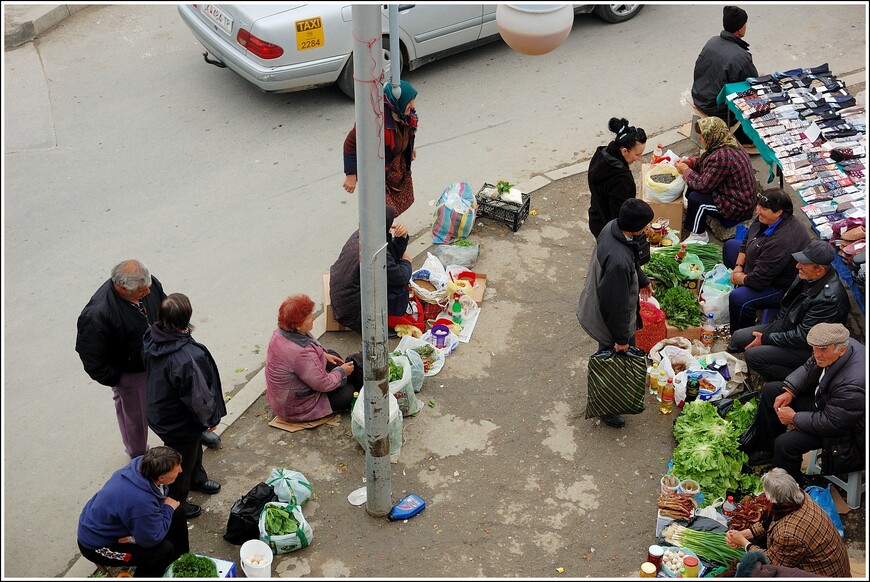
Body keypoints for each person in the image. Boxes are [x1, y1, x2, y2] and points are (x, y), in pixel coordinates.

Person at [743, 323, 864, 487]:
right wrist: (790, 391)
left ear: (841, 350)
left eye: (823, 350)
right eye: (814, 349)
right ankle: (767, 451)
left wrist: (794, 417)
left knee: (786, 444)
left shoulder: (852, 383)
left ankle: (791, 493)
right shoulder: (836, 345)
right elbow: (809, 366)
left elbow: (832, 424)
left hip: (846, 431)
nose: (817, 355)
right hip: (826, 404)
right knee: (773, 391)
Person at [142, 293, 226, 519]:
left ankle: (197, 479)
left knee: (192, 449)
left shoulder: (152, 336)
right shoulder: (187, 357)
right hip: (179, 419)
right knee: (180, 463)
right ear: (185, 319)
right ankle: (177, 502)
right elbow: (199, 397)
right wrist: (210, 420)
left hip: (162, 411)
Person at [76, 259, 167, 458]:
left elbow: (164, 307)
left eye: (148, 287)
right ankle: (138, 454)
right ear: (122, 288)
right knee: (135, 416)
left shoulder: (147, 284)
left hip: (156, 357)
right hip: (131, 371)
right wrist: (118, 379)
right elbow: (92, 356)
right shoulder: (97, 314)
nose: (148, 293)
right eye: (141, 292)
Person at [576, 198, 654, 428]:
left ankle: (610, 397)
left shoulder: (613, 228)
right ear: (636, 226)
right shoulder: (618, 261)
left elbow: (631, 260)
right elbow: (615, 305)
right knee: (612, 360)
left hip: (597, 301)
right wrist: (621, 340)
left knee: (612, 356)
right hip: (606, 317)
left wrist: (642, 280)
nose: (648, 229)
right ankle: (608, 407)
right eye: (646, 225)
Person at [727, 239, 849, 380]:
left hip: (807, 347)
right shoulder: (807, 275)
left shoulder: (829, 299)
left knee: (753, 356)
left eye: (803, 264)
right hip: (789, 325)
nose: (797, 266)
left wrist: (768, 339)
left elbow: (803, 337)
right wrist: (775, 328)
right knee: (738, 337)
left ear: (819, 270)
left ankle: (797, 381)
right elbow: (787, 303)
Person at [77, 446, 189, 578]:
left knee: (178, 512)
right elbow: (151, 539)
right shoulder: (141, 503)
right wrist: (135, 538)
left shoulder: (142, 465)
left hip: (120, 521)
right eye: (177, 470)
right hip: (99, 545)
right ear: (161, 479)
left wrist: (166, 511)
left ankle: (181, 561)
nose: (181, 470)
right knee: (162, 551)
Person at [724, 468, 851, 577]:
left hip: (825, 574)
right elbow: (770, 523)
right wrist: (745, 534)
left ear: (772, 498)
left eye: (765, 493)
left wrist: (744, 543)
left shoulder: (789, 534)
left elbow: (771, 563)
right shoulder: (798, 497)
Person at [722, 188, 811, 332]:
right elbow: (746, 240)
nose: (757, 211)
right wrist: (738, 266)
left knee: (738, 299)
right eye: (758, 206)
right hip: (761, 262)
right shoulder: (767, 218)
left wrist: (739, 278)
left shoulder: (783, 240)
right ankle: (743, 296)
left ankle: (741, 336)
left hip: (779, 285)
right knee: (730, 247)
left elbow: (759, 281)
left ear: (779, 212)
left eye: (763, 208)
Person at [265, 294, 364, 423]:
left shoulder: (281, 333)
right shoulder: (300, 352)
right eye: (309, 317)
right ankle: (348, 382)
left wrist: (323, 355)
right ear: (298, 325)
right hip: (296, 407)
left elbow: (310, 351)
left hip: (284, 395)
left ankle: (344, 378)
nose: (313, 317)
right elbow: (322, 384)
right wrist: (341, 372)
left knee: (331, 354)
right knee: (348, 393)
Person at [329, 205, 413, 332]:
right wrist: (407, 262)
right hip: (354, 314)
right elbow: (400, 276)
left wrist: (402, 237)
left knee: (393, 273)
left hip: (342, 303)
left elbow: (391, 255)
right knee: (401, 287)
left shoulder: (365, 235)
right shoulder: (375, 252)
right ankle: (385, 324)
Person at [675, 116, 756, 244]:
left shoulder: (723, 157)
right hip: (732, 193)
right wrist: (690, 162)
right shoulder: (726, 142)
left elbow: (702, 185)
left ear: (711, 135)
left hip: (737, 207)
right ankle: (695, 217)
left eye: (702, 135)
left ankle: (698, 235)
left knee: (696, 199)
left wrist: (685, 170)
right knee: (692, 184)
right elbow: (707, 161)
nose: (700, 138)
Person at [343, 80, 419, 216]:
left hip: (395, 166)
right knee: (379, 212)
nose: (413, 106)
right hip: (378, 172)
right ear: (397, 101)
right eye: (409, 101)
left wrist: (409, 148)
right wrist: (351, 174)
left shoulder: (406, 115)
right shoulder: (374, 120)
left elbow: (407, 132)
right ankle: (373, 233)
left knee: (392, 209)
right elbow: (351, 143)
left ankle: (388, 230)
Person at [691, 6, 758, 127]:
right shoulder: (740, 57)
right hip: (715, 108)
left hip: (698, 97)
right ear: (739, 29)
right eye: (745, 24)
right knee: (756, 100)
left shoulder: (713, 41)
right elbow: (753, 85)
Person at [587, 116, 647, 239]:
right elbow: (620, 214)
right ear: (624, 151)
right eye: (637, 154)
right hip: (609, 230)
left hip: (596, 218)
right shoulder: (620, 178)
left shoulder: (602, 154)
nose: (639, 158)